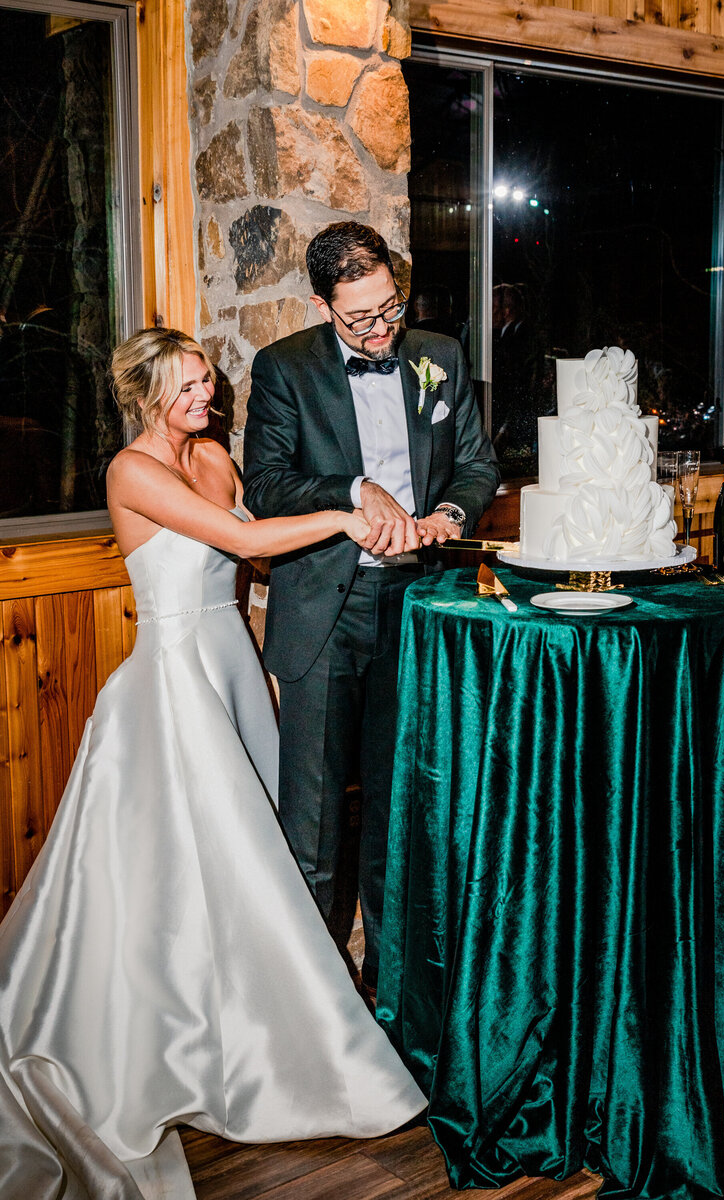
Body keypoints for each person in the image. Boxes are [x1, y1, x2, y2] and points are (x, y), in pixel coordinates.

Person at [0, 328, 426, 1200]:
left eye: (210, 384)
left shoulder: (217, 461)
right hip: (170, 684)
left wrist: (266, 665)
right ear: (149, 392)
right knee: (172, 877)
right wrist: (350, 513)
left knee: (245, 865)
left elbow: (246, 561)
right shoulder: (131, 472)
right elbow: (248, 548)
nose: (210, 398)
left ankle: (244, 1026)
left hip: (229, 662)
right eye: (192, 387)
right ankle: (170, 1037)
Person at [243, 222, 499, 998]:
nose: (383, 328)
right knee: (314, 823)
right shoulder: (283, 368)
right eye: (361, 318)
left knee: (403, 810)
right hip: (327, 609)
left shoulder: (440, 356)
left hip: (419, 606)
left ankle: (398, 998)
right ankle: (316, 1007)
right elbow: (266, 487)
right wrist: (354, 490)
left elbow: (476, 464)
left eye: (390, 307)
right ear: (322, 305)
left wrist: (449, 516)